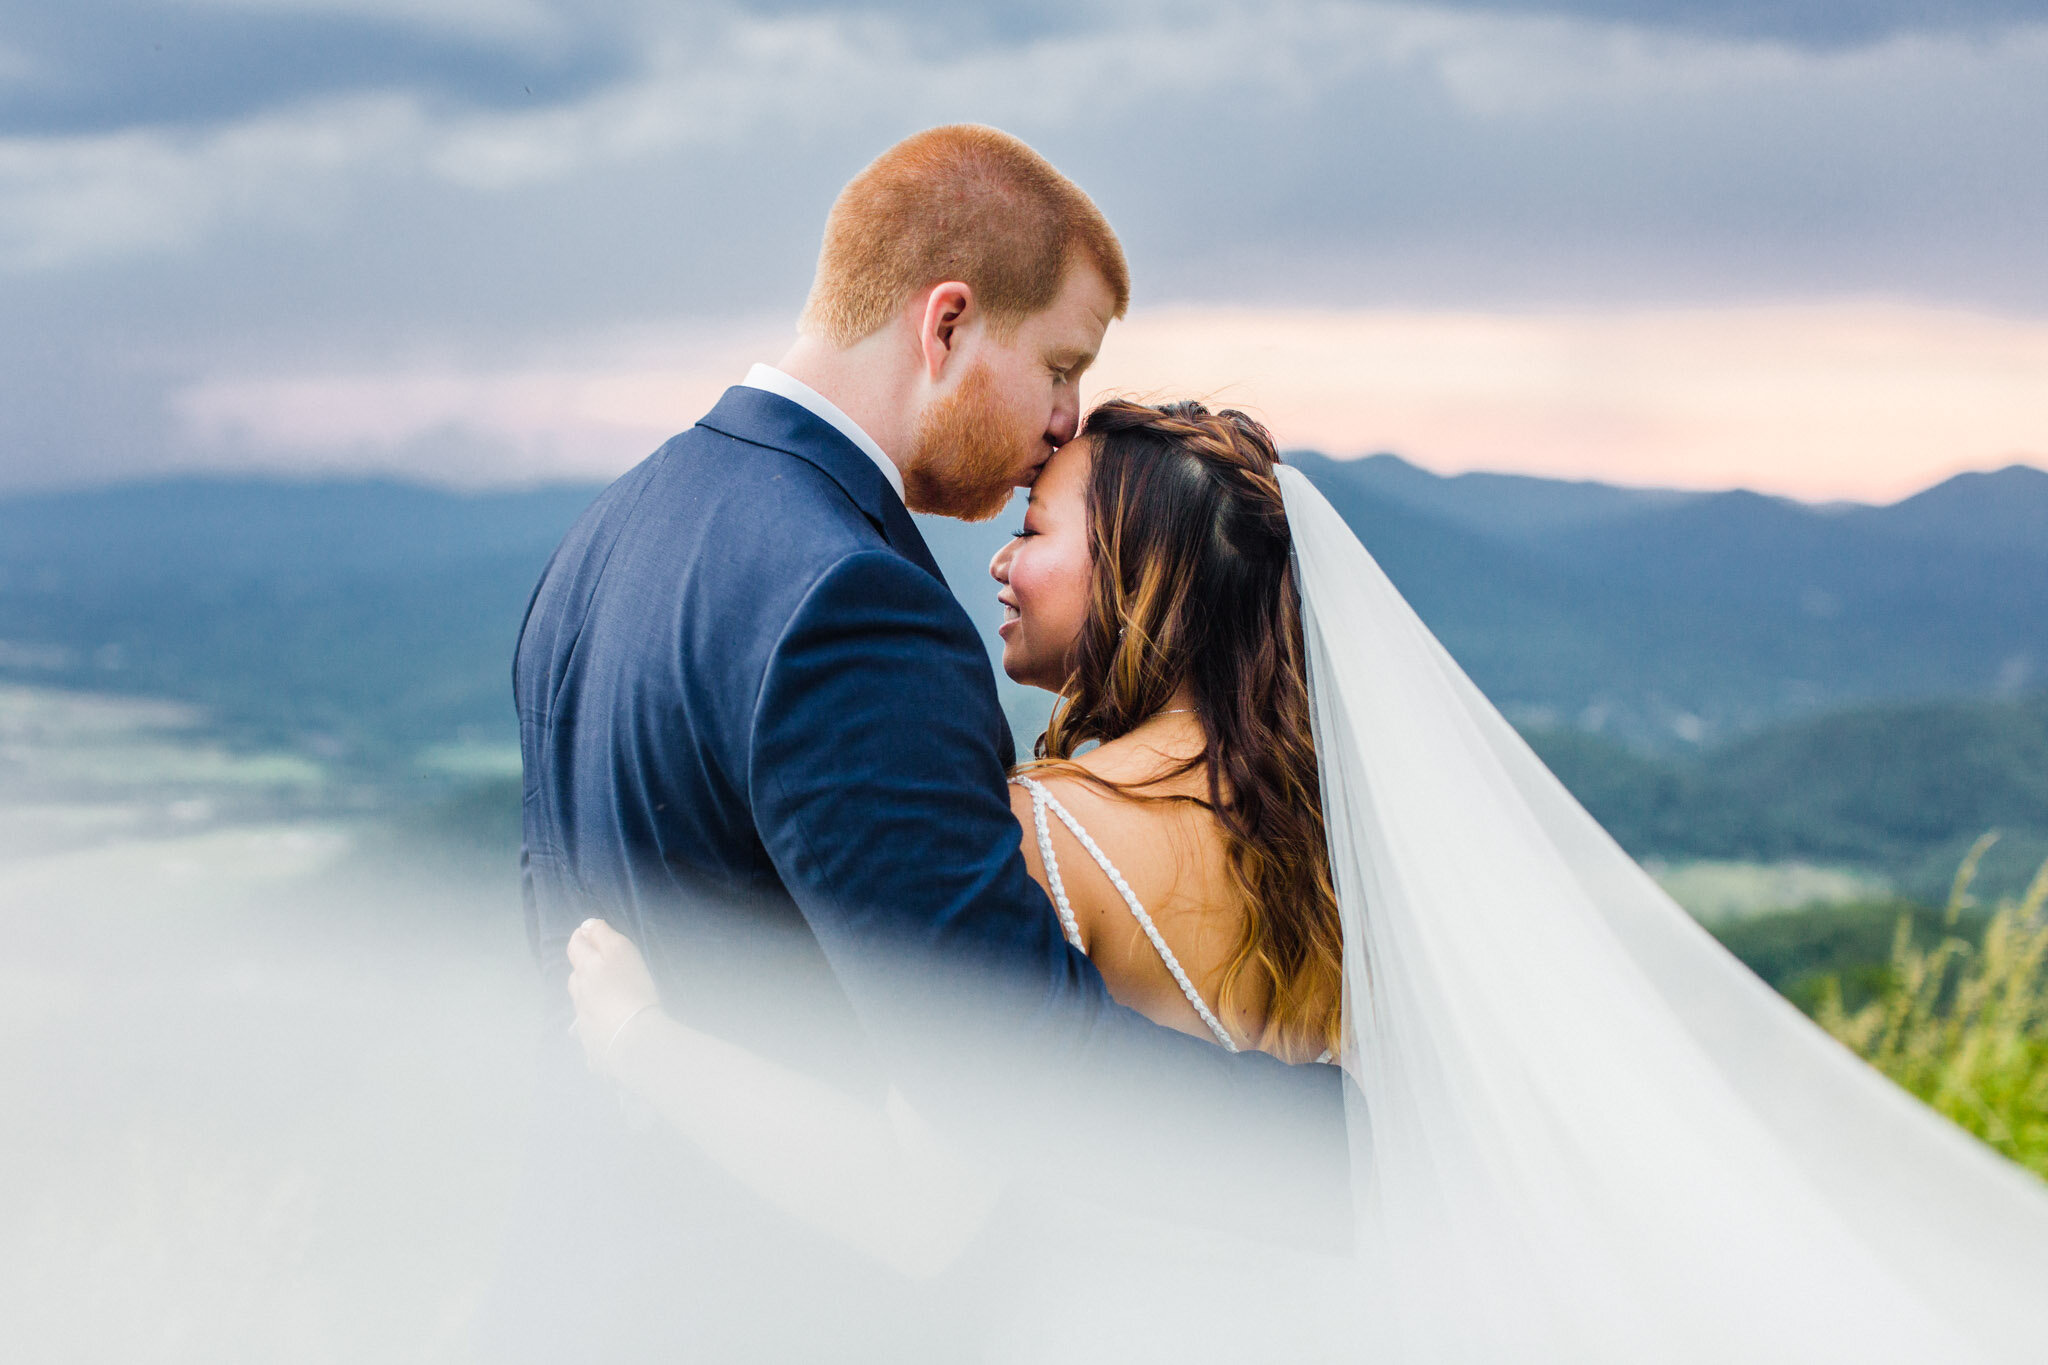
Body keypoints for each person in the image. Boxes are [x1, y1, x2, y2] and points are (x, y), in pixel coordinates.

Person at [569, 397, 2048, 1363]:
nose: (1003, 565)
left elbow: (915, 1198)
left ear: (1140, 573)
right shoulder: (1348, 848)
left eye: (1037, 530)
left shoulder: (1034, 841)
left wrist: (646, 1038)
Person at [482, 127, 1341, 1363]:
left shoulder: (605, 536)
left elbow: (560, 948)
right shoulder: (852, 602)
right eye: (1058, 365)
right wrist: (1377, 1144)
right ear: (945, 326)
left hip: (583, 1293)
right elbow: (1008, 1065)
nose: (1061, 422)